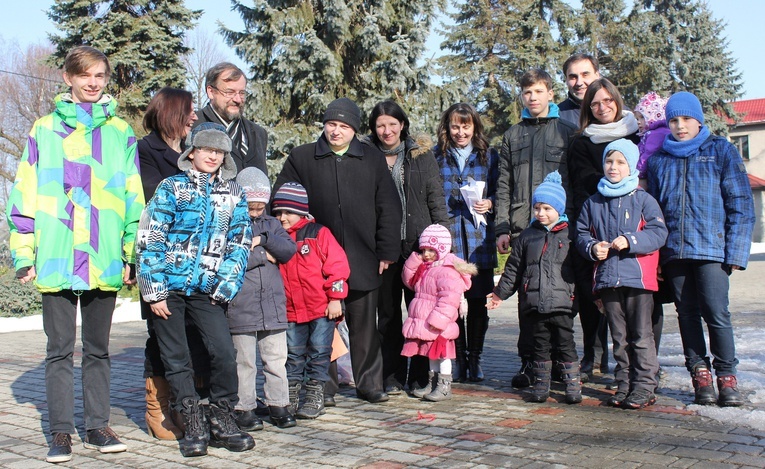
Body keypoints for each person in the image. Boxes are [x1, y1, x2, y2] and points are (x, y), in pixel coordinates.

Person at [5, 46, 143, 463]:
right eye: (85, 75)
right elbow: (25, 190)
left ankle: (98, 426)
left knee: (99, 348)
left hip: (102, 255)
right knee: (59, 349)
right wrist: (23, 252)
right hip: (56, 254)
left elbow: (132, 194)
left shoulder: (121, 132)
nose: (93, 82)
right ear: (68, 78)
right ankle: (61, 432)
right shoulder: (43, 129)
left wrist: (131, 251)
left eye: (100, 75)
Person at [135, 122, 255, 457]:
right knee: (176, 358)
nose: (213, 156)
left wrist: (225, 285)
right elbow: (150, 236)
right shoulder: (171, 188)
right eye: (206, 149)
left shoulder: (233, 194)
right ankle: (192, 421)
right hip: (169, 289)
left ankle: (222, 417)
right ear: (192, 152)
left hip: (208, 289)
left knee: (222, 352)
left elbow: (240, 241)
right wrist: (154, 289)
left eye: (219, 151)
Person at [274, 98, 402, 404]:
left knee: (364, 326)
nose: (336, 131)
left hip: (363, 256)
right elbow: (280, 205)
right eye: (332, 124)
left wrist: (386, 250)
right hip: (314, 260)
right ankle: (324, 386)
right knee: (321, 327)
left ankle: (369, 383)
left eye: (344, 126)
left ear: (354, 130)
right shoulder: (302, 158)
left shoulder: (370, 158)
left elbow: (389, 206)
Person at [646, 91, 755, 407]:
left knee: (717, 313)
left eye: (686, 119)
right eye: (674, 121)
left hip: (712, 250)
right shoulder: (659, 161)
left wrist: (735, 251)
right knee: (687, 314)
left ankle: (726, 377)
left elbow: (740, 202)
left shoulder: (720, 150)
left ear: (699, 120)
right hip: (675, 252)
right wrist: (657, 258)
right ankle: (700, 375)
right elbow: (653, 213)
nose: (680, 126)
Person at [495, 68, 577, 389]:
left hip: (558, 232)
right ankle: (530, 363)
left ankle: (560, 362)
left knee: (560, 299)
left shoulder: (567, 133)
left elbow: (574, 183)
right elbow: (504, 185)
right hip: (522, 229)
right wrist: (502, 227)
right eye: (527, 92)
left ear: (550, 93)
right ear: (522, 96)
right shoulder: (511, 136)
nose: (533, 98)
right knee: (526, 302)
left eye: (539, 91)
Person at [362, 100, 448, 396]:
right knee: (387, 315)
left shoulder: (421, 155)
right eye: (380, 125)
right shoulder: (365, 156)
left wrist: (441, 243)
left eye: (392, 124)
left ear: (402, 124)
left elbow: (436, 197)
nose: (387, 131)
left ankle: (421, 375)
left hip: (419, 248)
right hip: (383, 249)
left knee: (422, 312)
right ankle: (392, 375)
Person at [575, 139, 667, 409]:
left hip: (638, 279)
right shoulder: (593, 202)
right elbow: (580, 234)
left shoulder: (643, 200)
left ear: (631, 166)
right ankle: (625, 383)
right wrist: (593, 248)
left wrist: (631, 241)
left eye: (619, 162)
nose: (613, 167)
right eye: (608, 161)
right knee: (619, 337)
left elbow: (658, 233)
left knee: (640, 335)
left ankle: (645, 385)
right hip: (607, 278)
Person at [137, 87, 201, 441]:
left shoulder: (194, 153)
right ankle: (156, 406)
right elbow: (152, 199)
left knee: (194, 335)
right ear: (172, 113)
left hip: (197, 263)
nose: (194, 117)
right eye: (189, 111)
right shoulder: (145, 151)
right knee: (160, 336)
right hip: (161, 260)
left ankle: (186, 405)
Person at [568, 78, 640, 380]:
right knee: (594, 295)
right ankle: (594, 358)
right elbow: (583, 180)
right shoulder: (581, 141)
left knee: (638, 299)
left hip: (634, 224)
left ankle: (641, 363)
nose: (602, 107)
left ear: (617, 100)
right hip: (596, 223)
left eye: (607, 100)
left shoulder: (637, 133)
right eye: (595, 103)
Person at [488, 171, 581, 404]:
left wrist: (588, 297)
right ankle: (541, 385)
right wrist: (500, 293)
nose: (541, 213)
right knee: (539, 347)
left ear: (559, 210)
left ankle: (572, 385)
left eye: (547, 209)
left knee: (566, 346)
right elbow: (513, 269)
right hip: (535, 304)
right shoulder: (528, 236)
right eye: (538, 208)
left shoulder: (570, 236)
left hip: (562, 306)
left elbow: (580, 271)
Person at [272, 182, 351, 418]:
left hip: (321, 309)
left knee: (319, 352)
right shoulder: (276, 238)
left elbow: (338, 268)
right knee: (293, 355)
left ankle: (316, 393)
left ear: (301, 211)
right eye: (277, 212)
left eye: (287, 212)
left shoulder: (318, 233)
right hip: (291, 311)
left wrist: (336, 299)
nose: (282, 217)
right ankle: (292, 395)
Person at [227, 167, 297, 430]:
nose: (256, 213)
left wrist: (262, 239)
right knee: (244, 362)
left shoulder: (272, 224)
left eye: (260, 207)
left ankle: (278, 403)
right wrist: (264, 254)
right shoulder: (230, 222)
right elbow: (231, 258)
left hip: (273, 306)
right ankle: (244, 407)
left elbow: (288, 250)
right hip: (241, 306)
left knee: (276, 359)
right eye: (251, 207)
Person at [434, 103, 499, 382]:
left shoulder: (489, 156)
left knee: (477, 302)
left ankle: (476, 359)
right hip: (448, 239)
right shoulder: (436, 156)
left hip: (478, 239)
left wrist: (491, 203)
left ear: (475, 127)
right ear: (447, 127)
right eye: (455, 126)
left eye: (466, 126)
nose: (461, 132)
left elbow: (500, 190)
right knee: (450, 302)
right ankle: (458, 357)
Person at [401, 224, 476, 401]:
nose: (426, 254)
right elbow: (410, 282)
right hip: (429, 323)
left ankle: (444, 386)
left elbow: (449, 299)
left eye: (431, 250)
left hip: (439, 325)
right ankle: (432, 383)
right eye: (423, 250)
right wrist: (414, 262)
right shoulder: (427, 267)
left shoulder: (447, 271)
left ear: (441, 249)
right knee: (431, 355)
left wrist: (438, 320)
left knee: (443, 356)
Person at [194, 62, 268, 175]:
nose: (237, 99)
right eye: (229, 92)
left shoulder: (258, 133)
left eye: (242, 93)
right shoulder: (192, 126)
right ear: (211, 91)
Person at [633, 91, 671, 183]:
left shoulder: (656, 134)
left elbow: (647, 155)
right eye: (637, 118)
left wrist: (637, 171)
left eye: (642, 117)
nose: (638, 122)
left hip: (647, 177)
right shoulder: (650, 133)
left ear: (653, 115)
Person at [558, 53, 601, 126]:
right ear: (566, 80)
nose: (579, 83)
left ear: (597, 76)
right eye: (573, 77)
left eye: (585, 75)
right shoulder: (557, 117)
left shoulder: (617, 112)